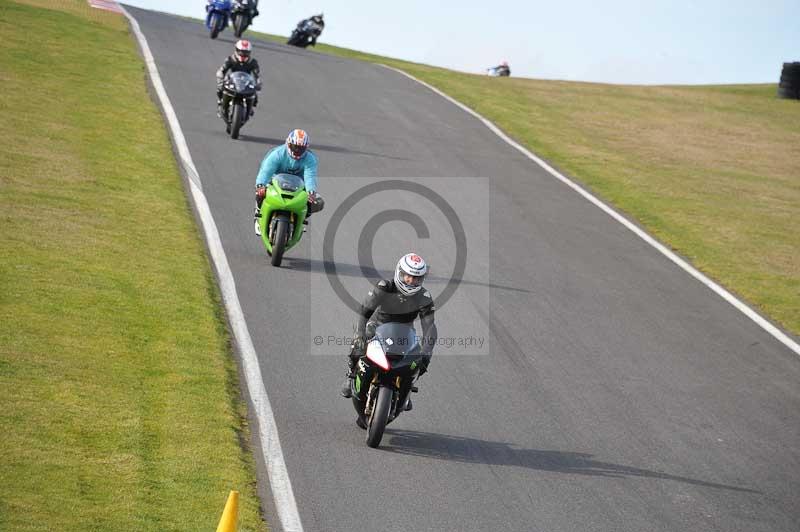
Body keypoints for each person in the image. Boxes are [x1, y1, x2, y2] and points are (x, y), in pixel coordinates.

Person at [340, 253, 437, 411]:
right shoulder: (385, 286)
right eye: (407, 276)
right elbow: (365, 309)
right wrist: (360, 332)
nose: (411, 281)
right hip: (378, 324)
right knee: (359, 343)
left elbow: (430, 325)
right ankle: (351, 374)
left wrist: (427, 350)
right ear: (399, 273)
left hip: (405, 331)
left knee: (420, 360)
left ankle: (407, 390)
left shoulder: (424, 296)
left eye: (416, 278)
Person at [253, 129, 324, 236]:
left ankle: (302, 220)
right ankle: (258, 214)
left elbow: (310, 176)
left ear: (306, 148)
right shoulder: (277, 154)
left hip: (298, 186)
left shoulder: (310, 159)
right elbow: (265, 171)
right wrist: (260, 185)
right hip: (275, 182)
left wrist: (311, 192)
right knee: (261, 193)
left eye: (301, 148)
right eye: (294, 146)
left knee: (318, 202)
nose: (297, 151)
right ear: (288, 143)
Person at [216, 39, 262, 119]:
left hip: (246, 82)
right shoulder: (230, 59)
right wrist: (221, 80)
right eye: (241, 52)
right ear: (236, 50)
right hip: (232, 81)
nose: (243, 54)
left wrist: (258, 84)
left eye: (246, 52)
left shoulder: (253, 62)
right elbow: (221, 71)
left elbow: (257, 75)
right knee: (220, 88)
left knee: (255, 95)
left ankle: (250, 108)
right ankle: (221, 103)